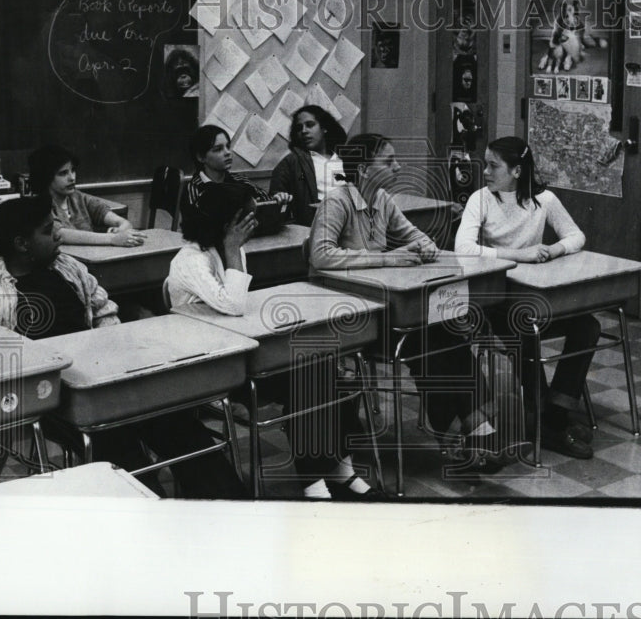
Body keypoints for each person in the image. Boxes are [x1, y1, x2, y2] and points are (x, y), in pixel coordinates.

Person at [0, 196, 246, 499]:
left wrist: (110, 354)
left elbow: (104, 311)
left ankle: (228, 511)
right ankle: (151, 514)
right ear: (22, 244)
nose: (58, 234)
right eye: (48, 230)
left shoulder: (69, 267)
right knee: (118, 446)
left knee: (177, 421)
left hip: (104, 381)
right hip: (53, 401)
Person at [168, 181, 376, 499]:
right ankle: (313, 478)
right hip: (212, 368)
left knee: (323, 364)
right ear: (228, 223)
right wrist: (234, 248)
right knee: (307, 374)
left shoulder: (223, 250)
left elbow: (234, 309)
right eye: (248, 218)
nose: (254, 224)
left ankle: (337, 468)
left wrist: (233, 248)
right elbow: (235, 304)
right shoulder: (191, 260)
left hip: (240, 350)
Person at [309, 133, 505, 471]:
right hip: (353, 320)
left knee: (447, 335)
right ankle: (462, 436)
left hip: (385, 311)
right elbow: (321, 255)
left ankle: (474, 433)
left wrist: (425, 245)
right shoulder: (337, 202)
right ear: (365, 170)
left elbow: (411, 234)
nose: (398, 167)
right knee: (427, 341)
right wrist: (388, 259)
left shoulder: (382, 199)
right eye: (388, 161)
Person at [454, 136, 599, 459]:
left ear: (518, 171)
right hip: (495, 300)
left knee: (587, 326)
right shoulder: (481, 199)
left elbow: (576, 236)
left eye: (494, 166)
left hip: (536, 295)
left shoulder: (543, 200)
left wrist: (554, 249)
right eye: (486, 165)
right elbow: (462, 248)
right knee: (524, 326)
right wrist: (520, 254)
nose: (486, 172)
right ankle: (543, 411)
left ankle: (555, 414)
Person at [28, 144, 146, 247]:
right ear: (46, 177)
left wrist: (121, 228)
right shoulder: (39, 205)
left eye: (73, 170)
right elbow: (60, 234)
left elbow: (122, 222)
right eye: (63, 173)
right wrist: (112, 239)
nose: (72, 178)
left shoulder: (78, 198)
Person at [179, 124, 291, 226]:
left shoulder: (241, 181)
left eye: (228, 146)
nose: (227, 153)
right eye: (218, 149)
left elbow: (267, 204)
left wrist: (277, 200)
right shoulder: (194, 190)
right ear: (201, 157)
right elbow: (196, 227)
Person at [269, 105, 346, 227]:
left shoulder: (344, 158)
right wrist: (279, 198)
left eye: (310, 125)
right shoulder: (291, 162)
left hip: (353, 221)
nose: (304, 131)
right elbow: (275, 204)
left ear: (324, 128)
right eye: (299, 128)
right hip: (319, 225)